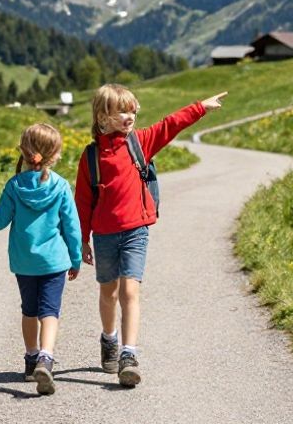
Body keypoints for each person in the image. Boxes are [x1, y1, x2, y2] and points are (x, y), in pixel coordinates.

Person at [75, 84, 227, 387]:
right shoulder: (91, 156)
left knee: (130, 291)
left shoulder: (140, 142)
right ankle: (109, 339)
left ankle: (128, 355)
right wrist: (82, 239)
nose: (129, 115)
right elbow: (82, 200)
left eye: (132, 109)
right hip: (104, 234)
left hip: (135, 231)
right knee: (109, 293)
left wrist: (200, 107)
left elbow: (170, 125)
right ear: (103, 117)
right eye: (121, 111)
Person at [0, 123, 82, 396]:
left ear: (24, 151)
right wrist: (75, 258)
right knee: (50, 312)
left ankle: (31, 360)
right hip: (54, 262)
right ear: (55, 155)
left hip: (24, 262)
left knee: (29, 310)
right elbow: (72, 227)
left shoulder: (14, 186)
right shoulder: (61, 186)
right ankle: (46, 356)